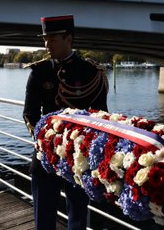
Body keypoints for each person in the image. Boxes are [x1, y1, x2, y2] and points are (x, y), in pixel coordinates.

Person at [23, 14, 109, 230]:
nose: (46, 44)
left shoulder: (91, 72)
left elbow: (101, 117)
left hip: (79, 157)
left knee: (78, 217)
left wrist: (80, 147)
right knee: (43, 217)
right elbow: (30, 114)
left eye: (52, 39)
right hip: (46, 155)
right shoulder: (39, 72)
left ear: (68, 38)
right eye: (45, 39)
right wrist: (49, 142)